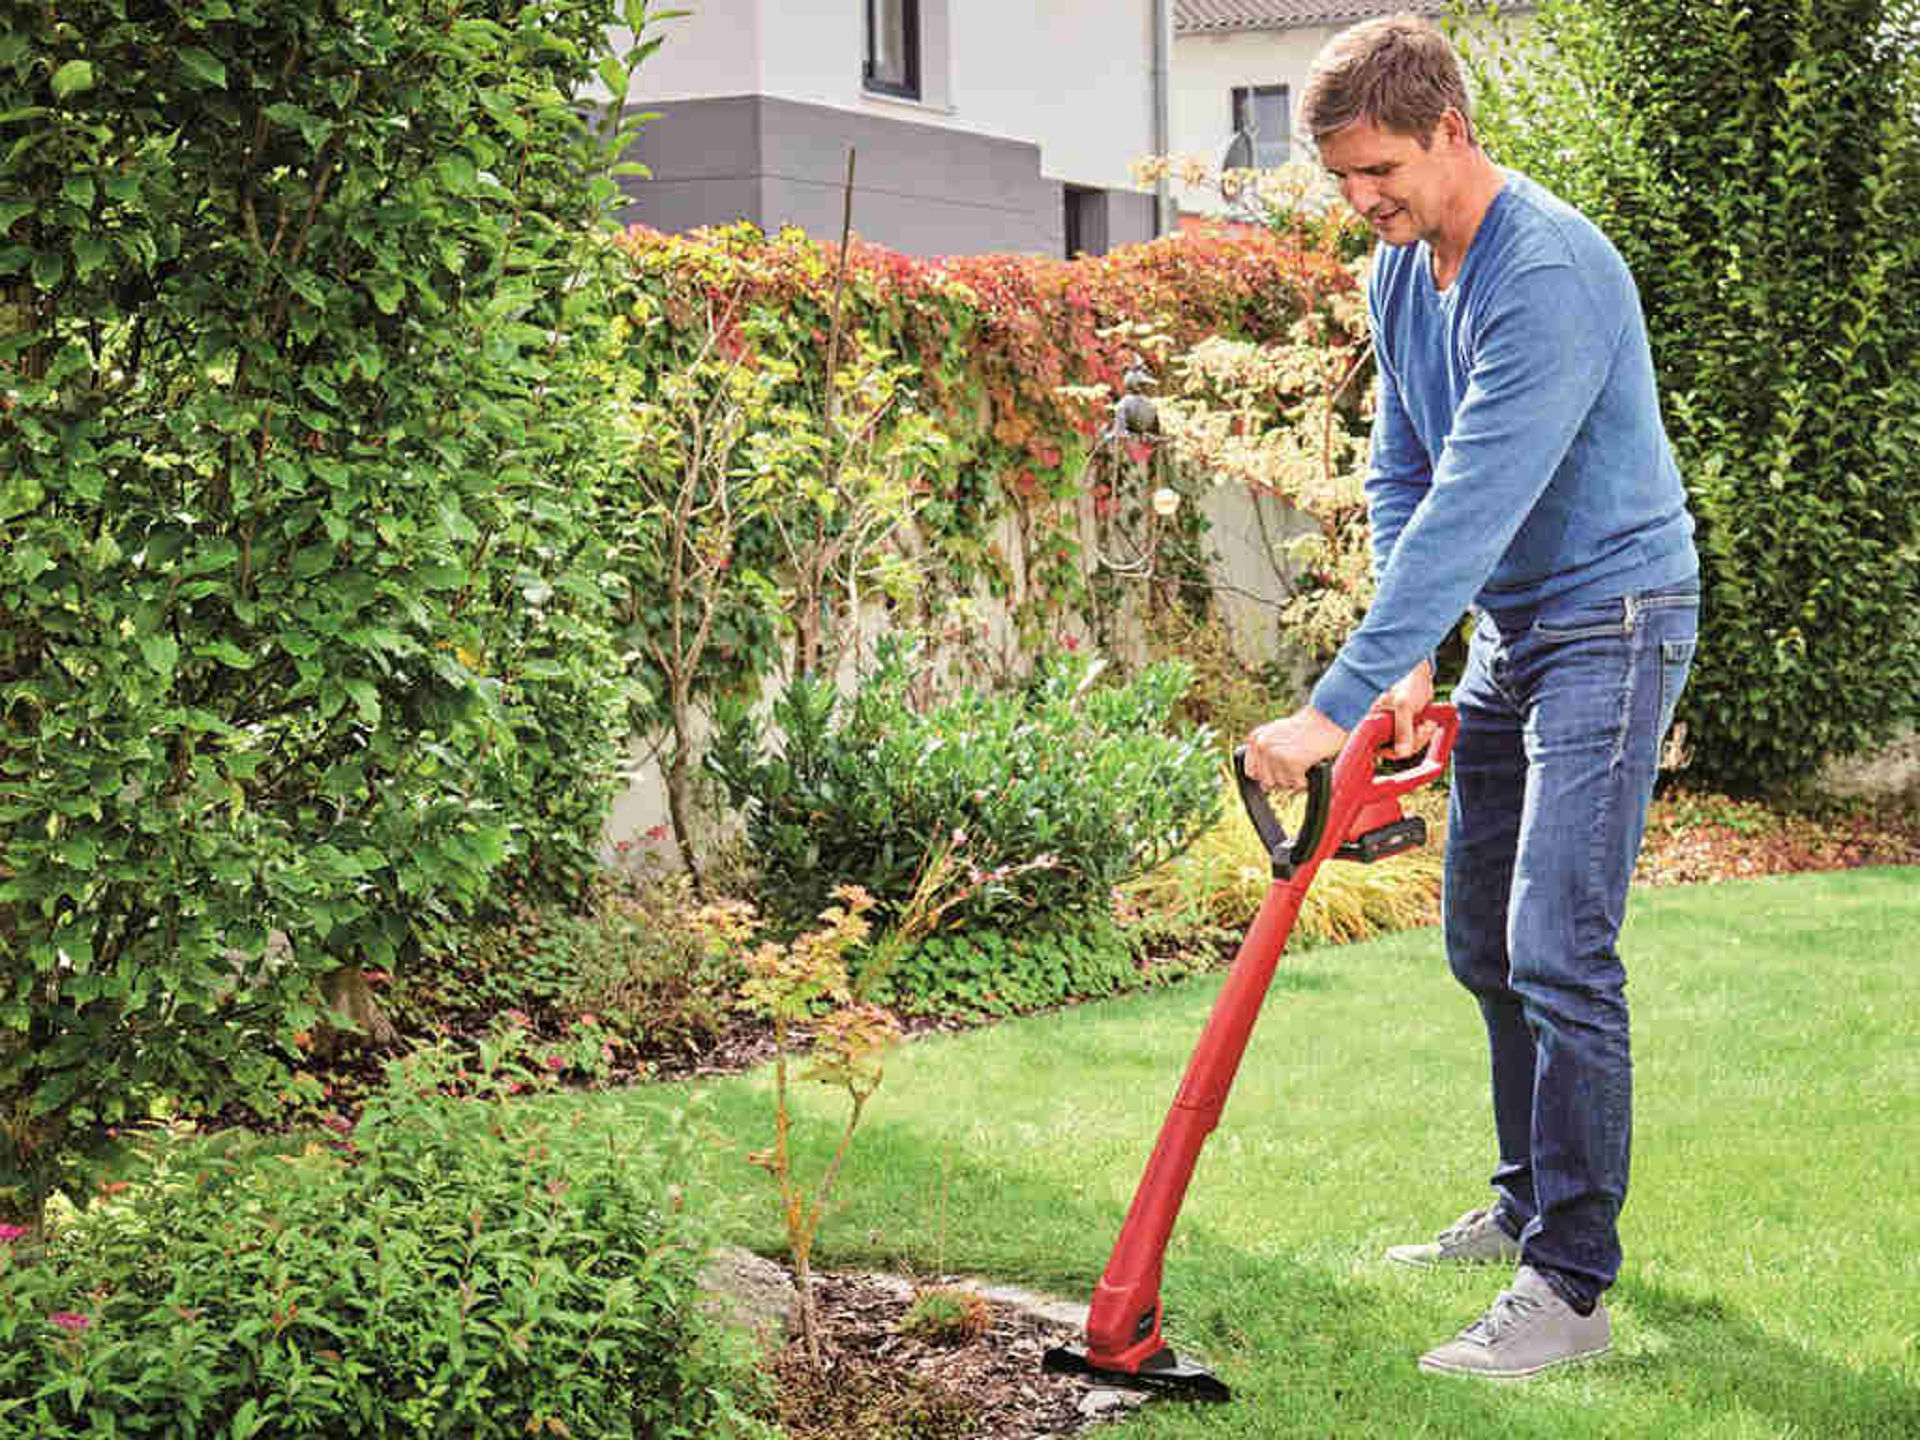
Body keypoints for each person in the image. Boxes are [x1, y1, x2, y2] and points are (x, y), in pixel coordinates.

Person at [1240, 14, 1699, 1379]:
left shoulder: (1541, 271)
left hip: (1612, 619)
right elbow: (1404, 472)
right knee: (1483, 946)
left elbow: (1478, 503)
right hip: (1511, 633)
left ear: (1449, 129)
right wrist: (1419, 661)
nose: (1358, 200)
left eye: (1375, 169)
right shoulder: (1402, 269)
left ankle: (1571, 1287)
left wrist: (1336, 702)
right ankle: (1522, 1205)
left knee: (1560, 945)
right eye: (1337, 180)